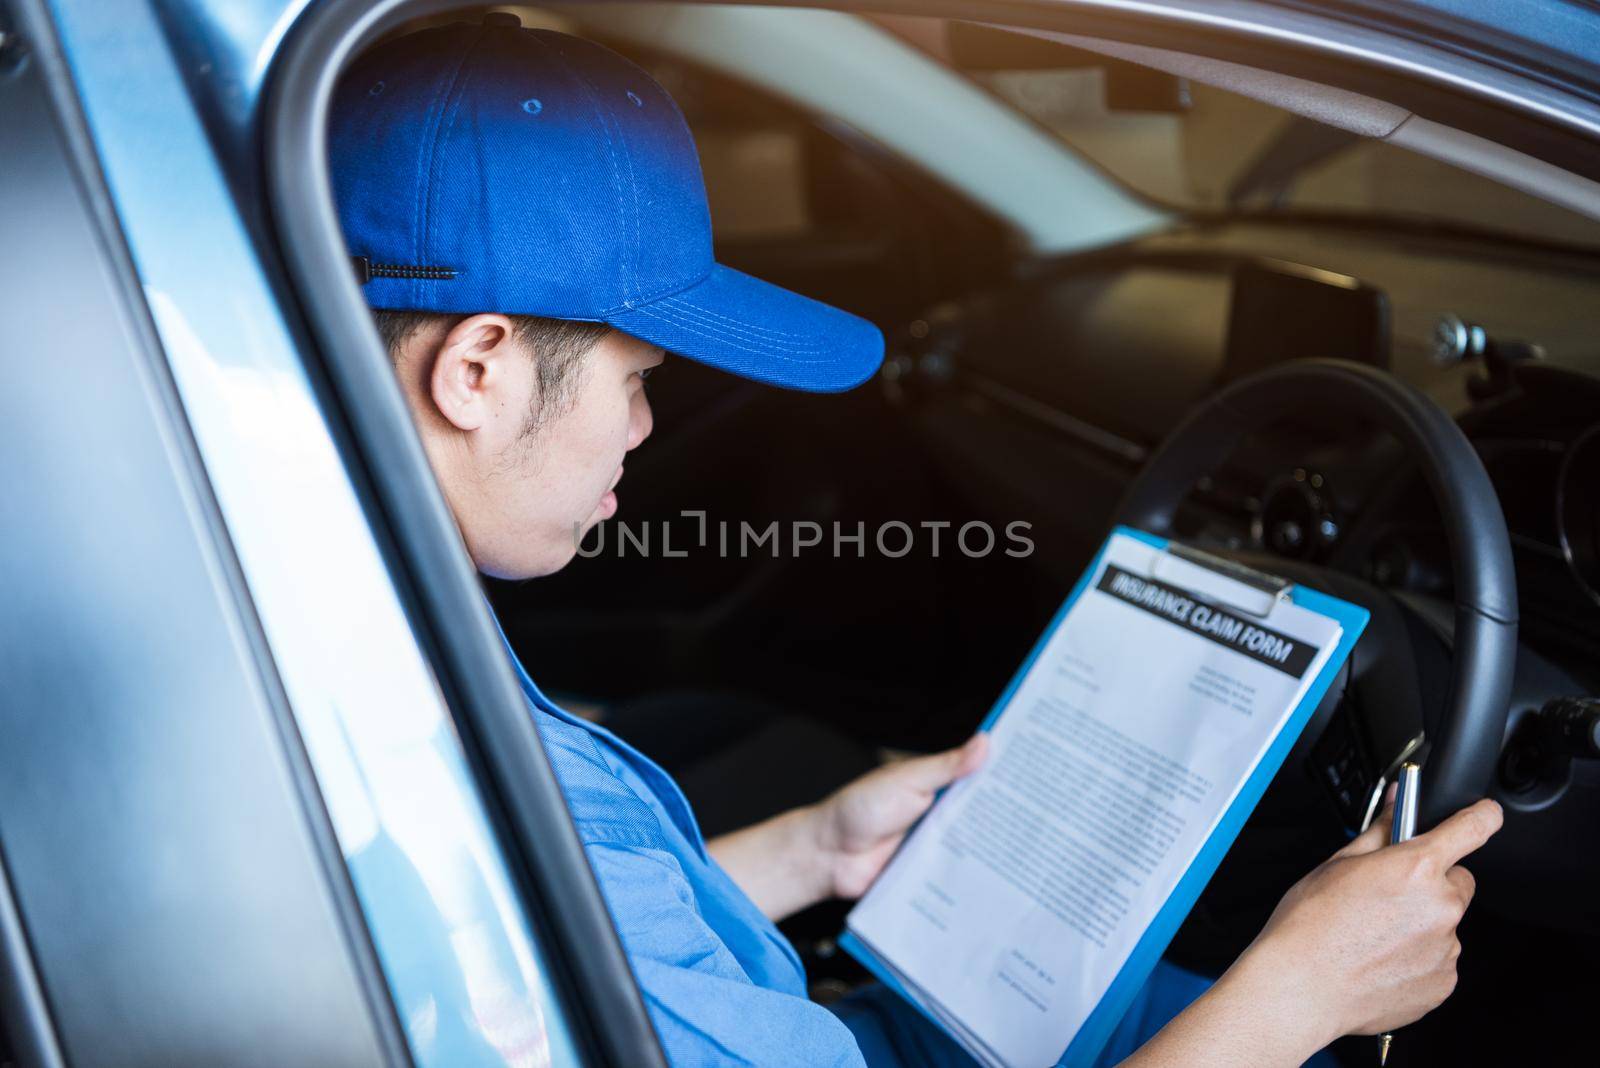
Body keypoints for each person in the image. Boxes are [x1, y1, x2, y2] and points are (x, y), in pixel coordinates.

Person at [328, 16, 1501, 1067]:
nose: (643, 427)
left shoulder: (345, 619)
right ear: (475, 370)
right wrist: (1300, 995)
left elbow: (575, 938)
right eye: (637, 378)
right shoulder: (417, 747)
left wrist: (810, 852)